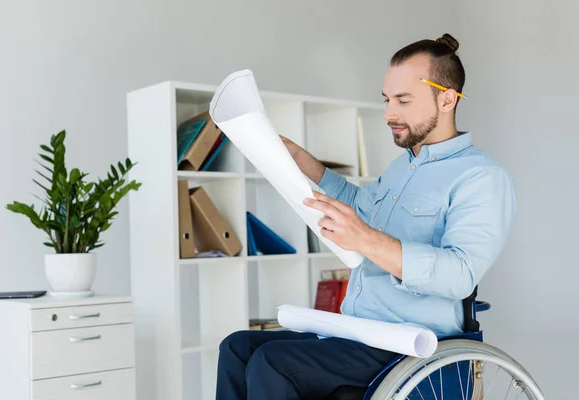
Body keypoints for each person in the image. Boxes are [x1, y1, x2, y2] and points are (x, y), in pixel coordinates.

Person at [215, 33, 517, 400]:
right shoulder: (401, 169)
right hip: (360, 331)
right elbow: (359, 208)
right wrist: (298, 160)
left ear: (447, 98)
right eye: (387, 99)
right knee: (235, 348)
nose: (389, 113)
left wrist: (365, 239)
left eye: (403, 100)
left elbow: (460, 274)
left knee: (273, 362)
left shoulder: (481, 176)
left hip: (408, 343)